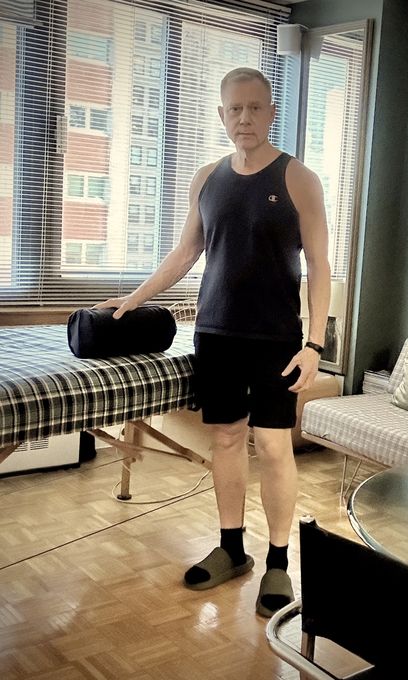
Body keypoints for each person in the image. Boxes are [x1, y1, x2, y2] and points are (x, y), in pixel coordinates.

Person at [95, 67, 331, 617]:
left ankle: (278, 563)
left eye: (255, 107)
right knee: (225, 439)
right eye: (235, 109)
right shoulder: (207, 178)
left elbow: (320, 265)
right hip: (217, 334)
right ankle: (232, 549)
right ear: (222, 115)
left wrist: (315, 344)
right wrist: (133, 298)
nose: (245, 118)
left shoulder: (299, 178)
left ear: (270, 113)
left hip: (275, 338)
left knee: (272, 447)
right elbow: (185, 253)